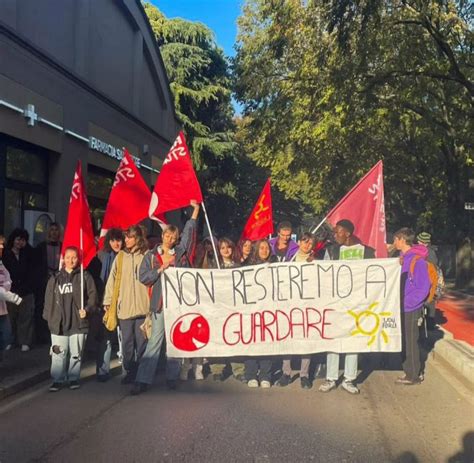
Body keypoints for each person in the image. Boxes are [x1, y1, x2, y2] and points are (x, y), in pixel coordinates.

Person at [131, 200, 200, 395]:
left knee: (175, 341)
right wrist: (160, 270)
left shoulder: (181, 253)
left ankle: (172, 377)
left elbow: (189, 231)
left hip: (177, 304)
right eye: (167, 235)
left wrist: (195, 210)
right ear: (162, 236)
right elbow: (143, 276)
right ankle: (142, 380)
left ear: (177, 239)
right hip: (160, 305)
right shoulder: (152, 256)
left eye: (174, 236)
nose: (170, 238)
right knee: (154, 342)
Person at [319, 220, 375, 395]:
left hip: (357, 304)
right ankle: (331, 378)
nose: (335, 235)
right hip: (336, 304)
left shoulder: (366, 252)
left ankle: (349, 379)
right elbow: (324, 273)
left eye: (338, 232)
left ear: (348, 233)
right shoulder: (332, 251)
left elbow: (375, 272)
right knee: (333, 340)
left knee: (353, 341)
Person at [43, 246, 98, 391]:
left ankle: (74, 378)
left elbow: (93, 297)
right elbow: (48, 300)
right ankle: (57, 380)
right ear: (63, 259)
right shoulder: (55, 278)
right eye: (68, 257)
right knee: (58, 353)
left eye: (74, 257)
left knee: (76, 354)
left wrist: (87, 310)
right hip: (59, 324)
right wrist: (49, 319)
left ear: (78, 259)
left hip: (78, 323)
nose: (70, 260)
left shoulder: (84, 276)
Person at [103, 225, 150, 385]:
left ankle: (142, 376)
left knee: (143, 344)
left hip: (143, 308)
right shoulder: (121, 257)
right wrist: (108, 301)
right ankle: (130, 370)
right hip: (125, 309)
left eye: (129, 237)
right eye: (126, 237)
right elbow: (112, 280)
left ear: (137, 238)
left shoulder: (146, 255)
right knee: (127, 345)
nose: (126, 240)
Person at [277, 233, 315, 389]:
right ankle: (286, 372)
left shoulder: (316, 261)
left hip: (308, 304)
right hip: (289, 304)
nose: (307, 246)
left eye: (310, 243)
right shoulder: (289, 258)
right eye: (305, 242)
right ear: (299, 242)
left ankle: (304, 375)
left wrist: (315, 264)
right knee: (288, 338)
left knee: (306, 340)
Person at [393, 228, 430, 385]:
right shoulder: (402, 258)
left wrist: (409, 302)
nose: (393, 242)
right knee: (404, 340)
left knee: (411, 340)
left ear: (402, 239)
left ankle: (413, 375)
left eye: (395, 239)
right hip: (401, 306)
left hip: (411, 307)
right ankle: (408, 370)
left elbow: (424, 286)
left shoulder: (417, 260)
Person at [210, 237, 246, 382]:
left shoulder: (238, 267)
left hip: (234, 307)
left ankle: (238, 369)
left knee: (235, 338)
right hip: (218, 308)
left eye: (228, 247)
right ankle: (217, 369)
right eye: (222, 248)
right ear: (219, 251)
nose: (226, 250)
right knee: (218, 337)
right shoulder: (214, 266)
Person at [244, 239, 276, 388]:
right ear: (256, 250)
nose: (264, 251)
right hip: (251, 310)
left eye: (267, 248)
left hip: (268, 310)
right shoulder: (247, 267)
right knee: (251, 342)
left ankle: (265, 375)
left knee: (267, 343)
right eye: (261, 248)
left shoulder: (276, 266)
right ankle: (251, 374)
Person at [95, 228, 124, 382]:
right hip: (107, 303)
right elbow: (100, 281)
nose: (116, 243)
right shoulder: (104, 257)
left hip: (124, 302)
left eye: (118, 240)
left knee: (124, 338)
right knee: (105, 338)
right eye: (112, 240)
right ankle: (102, 370)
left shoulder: (126, 256)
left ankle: (127, 369)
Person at [3, 228, 37, 352]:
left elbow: (33, 271)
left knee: (26, 317)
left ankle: (25, 341)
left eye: (23, 240)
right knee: (10, 317)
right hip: (10, 290)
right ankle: (9, 341)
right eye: (18, 239)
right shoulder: (6, 254)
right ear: (13, 240)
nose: (20, 242)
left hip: (26, 290)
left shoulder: (28, 253)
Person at [35, 222, 62, 343]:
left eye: (56, 230)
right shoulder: (40, 247)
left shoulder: (63, 246)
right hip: (43, 282)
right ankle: (41, 336)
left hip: (59, 281)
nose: (54, 232)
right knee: (42, 307)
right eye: (52, 229)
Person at [0, 235, 22, 361]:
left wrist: (5, 288)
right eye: (0, 244)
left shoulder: (2, 263)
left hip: (2, 309)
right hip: (5, 303)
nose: (2, 247)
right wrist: (14, 298)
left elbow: (8, 281)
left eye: (3, 244)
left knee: (6, 338)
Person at [416, 231, 438, 329]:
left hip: (428, 280)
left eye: (419, 241)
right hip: (427, 279)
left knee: (429, 301)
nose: (418, 242)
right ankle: (429, 322)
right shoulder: (430, 252)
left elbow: (431, 267)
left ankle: (429, 323)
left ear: (424, 242)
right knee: (429, 301)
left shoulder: (429, 253)